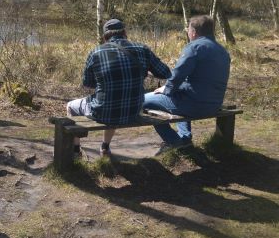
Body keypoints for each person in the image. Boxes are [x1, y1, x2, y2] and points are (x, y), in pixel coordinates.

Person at [67, 19, 171, 157]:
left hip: (104, 112)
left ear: (105, 36)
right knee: (117, 101)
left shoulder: (96, 53)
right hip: (133, 111)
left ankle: (75, 151)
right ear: (125, 33)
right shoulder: (142, 49)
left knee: (70, 106)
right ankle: (105, 147)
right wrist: (145, 71)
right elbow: (165, 73)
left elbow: (88, 83)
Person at [143, 15, 230, 153]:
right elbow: (200, 79)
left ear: (194, 32)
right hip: (214, 104)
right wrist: (174, 87)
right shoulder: (223, 51)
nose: (188, 33)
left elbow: (177, 76)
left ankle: (174, 141)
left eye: (188, 30)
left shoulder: (194, 47)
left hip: (194, 105)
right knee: (179, 95)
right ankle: (185, 138)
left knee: (143, 100)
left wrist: (166, 89)